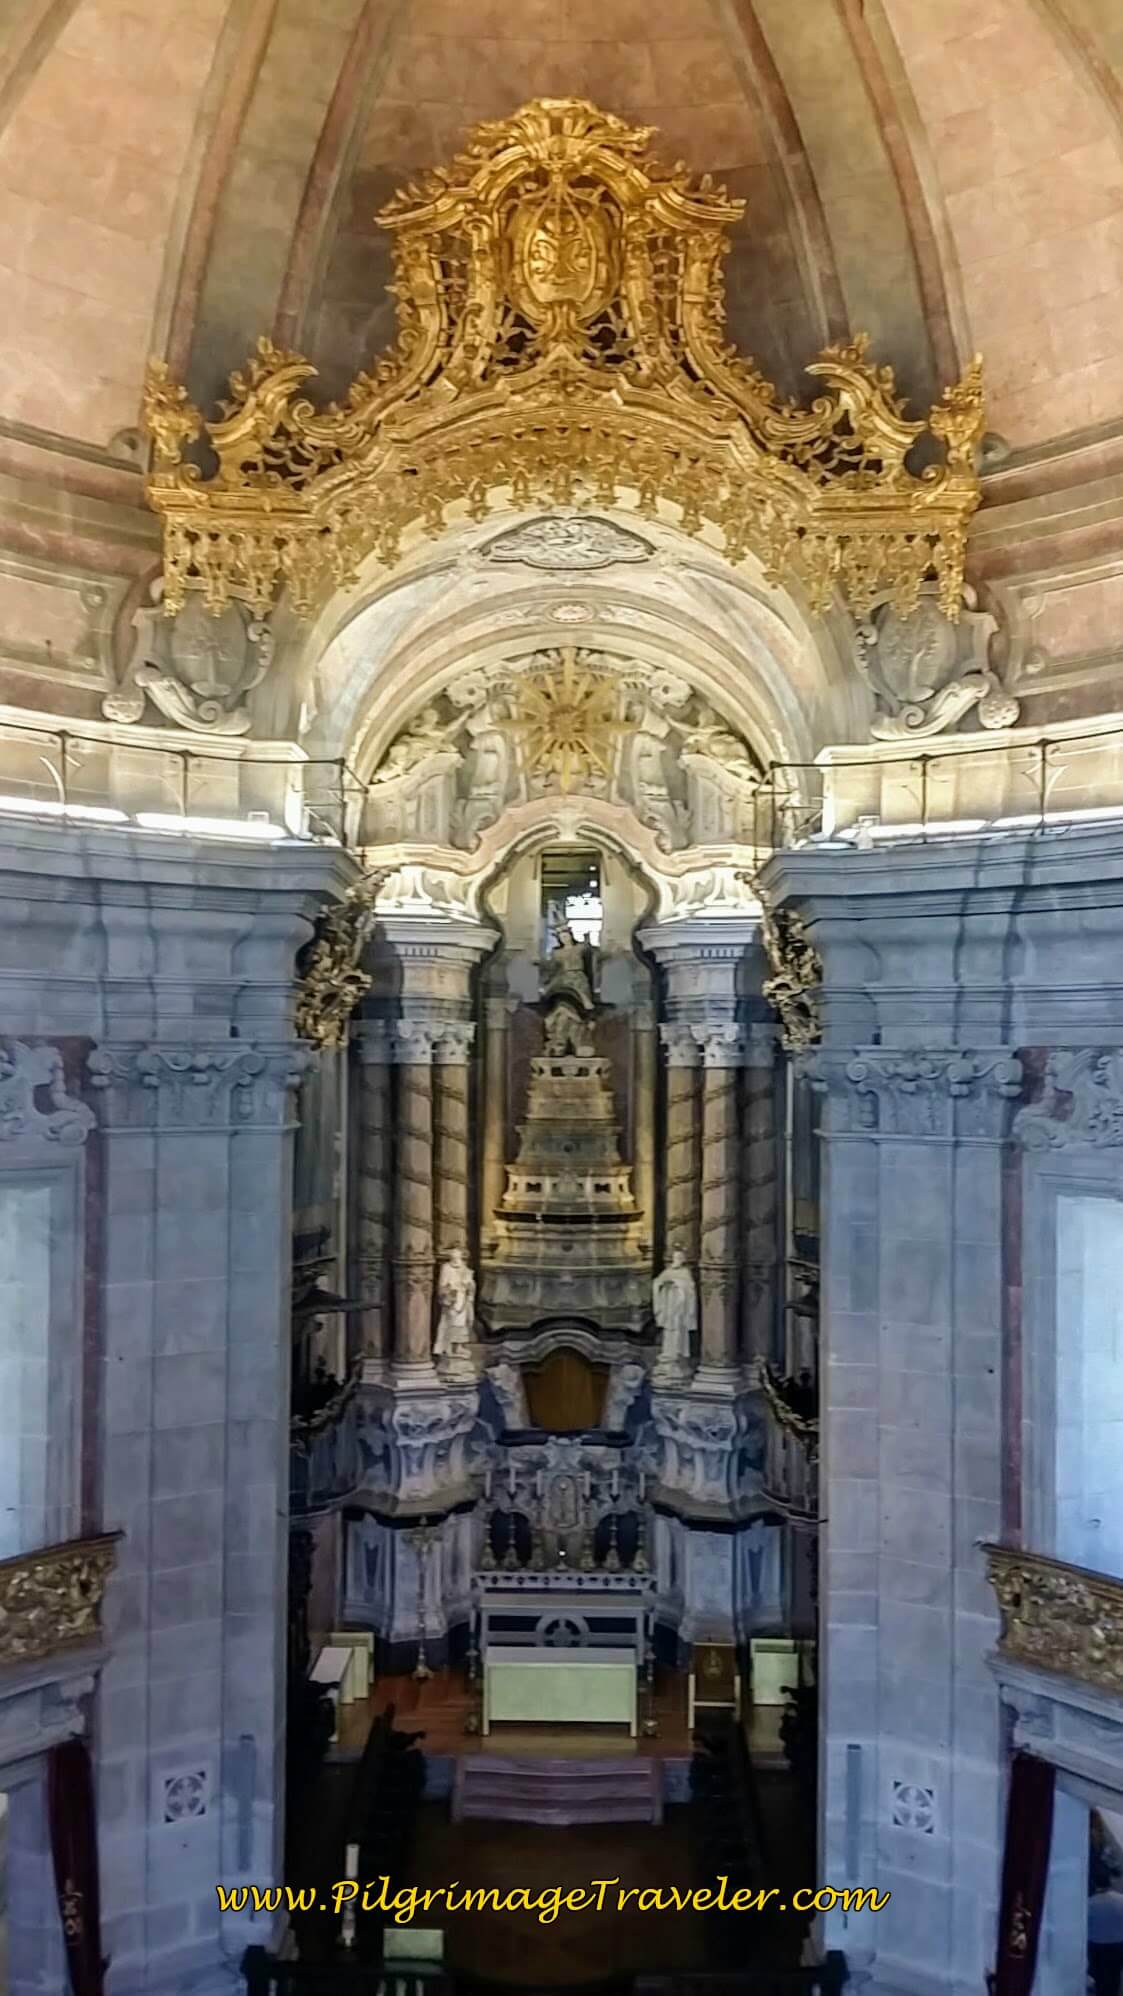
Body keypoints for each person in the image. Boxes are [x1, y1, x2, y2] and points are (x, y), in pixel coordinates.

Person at [652, 1247, 697, 1372]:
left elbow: (690, 1289)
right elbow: (657, 1282)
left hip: (679, 1306)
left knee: (678, 1330)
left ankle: (678, 1354)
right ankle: (668, 1353)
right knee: (668, 1330)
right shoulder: (667, 1271)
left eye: (679, 1258)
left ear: (682, 1260)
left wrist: (677, 1284)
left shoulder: (685, 1273)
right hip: (668, 1304)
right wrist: (662, 1284)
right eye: (675, 1257)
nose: (676, 1260)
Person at [1088, 1872, 1123, 1996]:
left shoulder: (1090, 1903)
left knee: (1099, 1976)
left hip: (1097, 1945)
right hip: (1119, 1944)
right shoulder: (1121, 1899)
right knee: (1114, 1975)